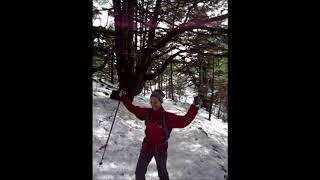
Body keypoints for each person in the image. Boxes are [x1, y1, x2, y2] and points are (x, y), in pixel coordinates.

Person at [119, 89, 202, 180]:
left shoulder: (167, 117)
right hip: (147, 147)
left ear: (160, 102)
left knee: (162, 174)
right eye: (151, 102)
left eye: (156, 102)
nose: (153, 104)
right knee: (139, 172)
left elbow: (184, 121)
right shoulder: (147, 113)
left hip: (161, 150)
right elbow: (133, 108)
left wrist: (194, 107)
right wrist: (124, 97)